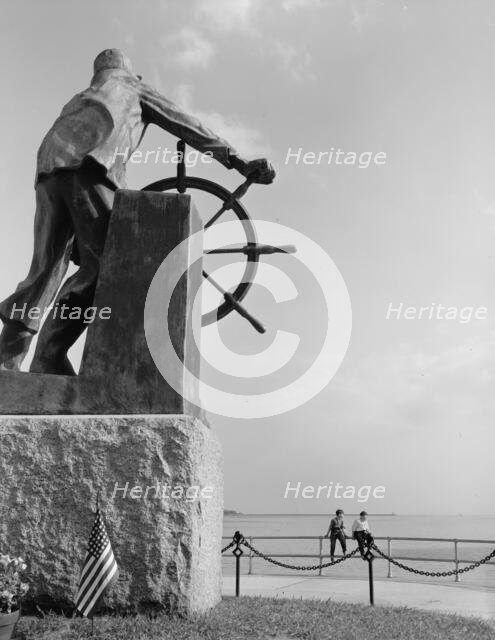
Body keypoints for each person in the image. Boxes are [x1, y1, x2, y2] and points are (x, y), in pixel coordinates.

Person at [0, 48, 275, 375]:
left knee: (45, 269)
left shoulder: (79, 99)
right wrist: (237, 160)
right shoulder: (133, 87)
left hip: (47, 171)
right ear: (131, 73)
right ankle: (48, 356)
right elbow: (187, 125)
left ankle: (7, 359)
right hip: (89, 169)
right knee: (107, 266)